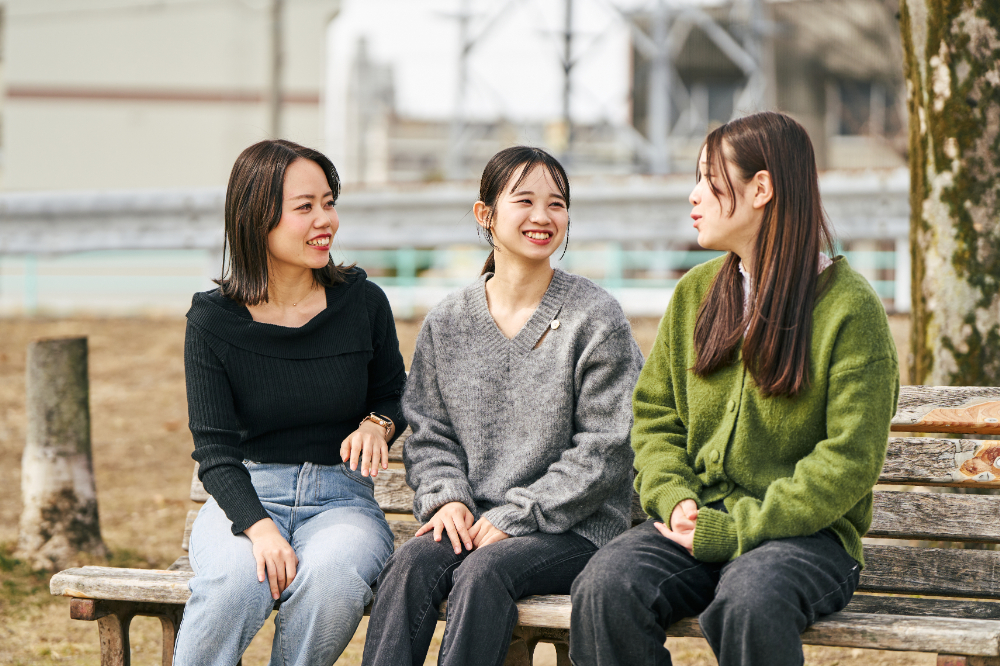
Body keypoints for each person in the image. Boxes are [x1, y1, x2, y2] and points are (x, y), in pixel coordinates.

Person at [569, 111, 900, 666]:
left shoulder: (850, 308)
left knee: (750, 601)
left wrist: (737, 530)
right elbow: (656, 416)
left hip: (807, 539)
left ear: (761, 189)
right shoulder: (696, 293)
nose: (694, 195)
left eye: (710, 179)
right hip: (697, 523)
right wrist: (675, 498)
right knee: (606, 587)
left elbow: (848, 459)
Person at [361, 146, 644, 666]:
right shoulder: (448, 322)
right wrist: (447, 499)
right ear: (485, 214)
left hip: (573, 528)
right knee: (410, 565)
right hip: (475, 519)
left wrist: (519, 514)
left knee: (484, 571)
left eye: (556, 204)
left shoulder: (595, 318)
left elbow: (607, 447)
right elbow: (430, 433)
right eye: (525, 201)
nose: (543, 216)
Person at [173, 139, 407, 666]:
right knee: (236, 579)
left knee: (332, 579)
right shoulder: (212, 321)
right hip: (249, 496)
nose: (326, 220)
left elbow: (393, 392)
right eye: (305, 207)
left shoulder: (362, 302)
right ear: (257, 219)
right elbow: (215, 451)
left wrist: (377, 424)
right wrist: (259, 529)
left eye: (329, 202)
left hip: (343, 502)